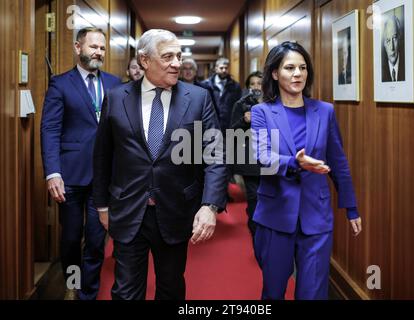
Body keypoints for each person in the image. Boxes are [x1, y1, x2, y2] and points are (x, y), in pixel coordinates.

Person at [92, 29, 228, 300]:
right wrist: (102, 205)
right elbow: (103, 155)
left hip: (176, 210)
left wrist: (210, 205)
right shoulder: (116, 97)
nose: (177, 63)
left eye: (178, 56)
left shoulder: (198, 98)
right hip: (129, 208)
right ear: (144, 60)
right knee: (126, 291)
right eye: (167, 57)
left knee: (170, 287)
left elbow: (216, 155)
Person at [250, 41, 362, 300]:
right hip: (275, 215)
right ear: (275, 74)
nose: (298, 73)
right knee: (274, 291)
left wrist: (351, 207)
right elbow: (262, 157)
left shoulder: (325, 111)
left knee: (313, 293)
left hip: (317, 215)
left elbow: (339, 162)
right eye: (289, 68)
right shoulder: (262, 112)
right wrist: (294, 163)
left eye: (302, 68)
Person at [40, 27, 122, 300]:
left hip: (104, 178)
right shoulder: (60, 84)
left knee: (97, 241)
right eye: (93, 47)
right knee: (72, 239)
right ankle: (72, 283)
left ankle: (87, 293)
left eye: (102, 48)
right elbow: (50, 129)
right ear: (78, 48)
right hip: (70, 176)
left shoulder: (114, 83)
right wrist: (53, 173)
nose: (98, 52)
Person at [230, 71, 263, 240]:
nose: (256, 87)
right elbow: (231, 132)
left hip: (272, 160)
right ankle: (256, 236)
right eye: (252, 84)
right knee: (254, 200)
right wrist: (244, 121)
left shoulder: (275, 104)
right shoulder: (240, 104)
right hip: (250, 162)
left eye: (259, 83)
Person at [201, 57, 242, 133]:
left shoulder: (235, 86)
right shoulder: (206, 85)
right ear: (216, 68)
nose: (224, 70)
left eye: (226, 68)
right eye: (221, 68)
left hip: (229, 126)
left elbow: (238, 106)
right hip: (211, 124)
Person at [381, 14, 405, 82]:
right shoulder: (381, 71)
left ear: (399, 39)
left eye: (394, 38)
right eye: (388, 41)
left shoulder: (407, 67)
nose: (392, 47)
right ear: (384, 44)